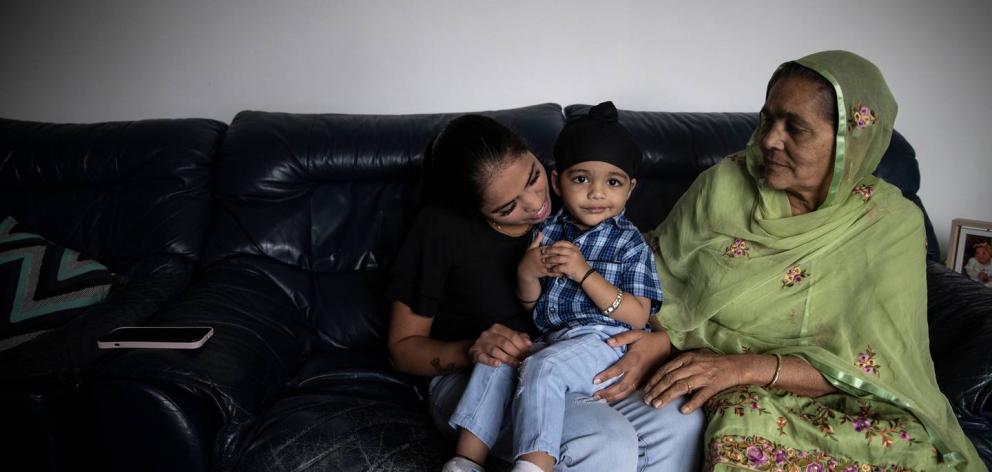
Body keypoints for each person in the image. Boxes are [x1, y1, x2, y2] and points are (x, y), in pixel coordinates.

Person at [640, 50, 984, 470]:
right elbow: (656, 282)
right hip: (737, 388)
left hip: (846, 394)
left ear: (849, 143)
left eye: (795, 128)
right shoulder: (724, 185)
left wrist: (747, 366)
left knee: (913, 449)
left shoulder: (890, 223)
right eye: (767, 119)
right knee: (745, 422)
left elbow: (884, 364)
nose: (769, 140)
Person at [387, 113, 703, 472]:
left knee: (680, 421)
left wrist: (657, 344)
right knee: (603, 440)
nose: (536, 203)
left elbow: (632, 298)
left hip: (569, 362)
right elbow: (402, 350)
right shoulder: (440, 229)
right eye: (508, 207)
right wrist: (473, 348)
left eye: (534, 177)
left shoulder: (580, 204)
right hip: (483, 375)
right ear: (473, 210)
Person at [443, 102, 664, 472]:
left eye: (613, 182)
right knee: (496, 361)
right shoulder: (549, 232)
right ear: (558, 180)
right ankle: (464, 463)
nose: (596, 193)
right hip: (558, 339)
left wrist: (585, 274)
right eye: (581, 180)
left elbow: (638, 314)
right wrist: (527, 274)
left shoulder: (630, 243)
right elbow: (536, 310)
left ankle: (533, 466)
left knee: (544, 367)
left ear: (630, 189)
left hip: (604, 343)